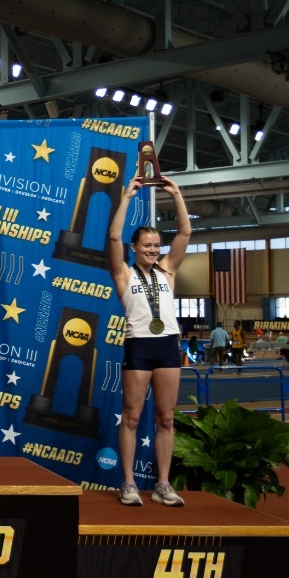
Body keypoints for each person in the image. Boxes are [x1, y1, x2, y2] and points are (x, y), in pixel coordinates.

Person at [107, 175, 191, 506]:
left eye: (157, 245)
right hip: (139, 347)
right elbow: (114, 235)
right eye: (147, 245)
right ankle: (128, 483)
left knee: (166, 418)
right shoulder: (123, 274)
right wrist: (127, 198)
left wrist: (176, 194)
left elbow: (184, 233)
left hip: (168, 347)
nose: (153, 250)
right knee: (130, 415)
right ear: (134, 248)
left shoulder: (168, 271)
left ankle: (163, 484)